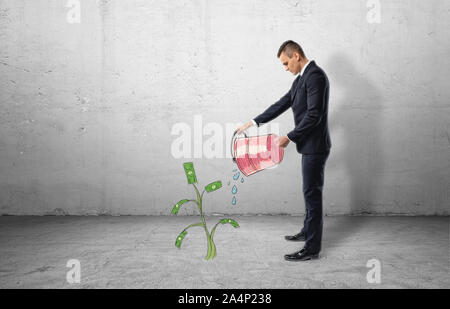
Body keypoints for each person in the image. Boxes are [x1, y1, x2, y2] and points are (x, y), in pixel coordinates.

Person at [235, 40, 331, 261]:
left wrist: (289, 137)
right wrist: (252, 122)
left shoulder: (315, 76)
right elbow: (282, 103)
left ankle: (312, 248)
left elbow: (314, 116)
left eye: (286, 63)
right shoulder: (300, 80)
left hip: (316, 147)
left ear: (296, 55)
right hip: (308, 146)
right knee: (308, 191)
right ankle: (308, 231)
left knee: (312, 194)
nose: (286, 68)